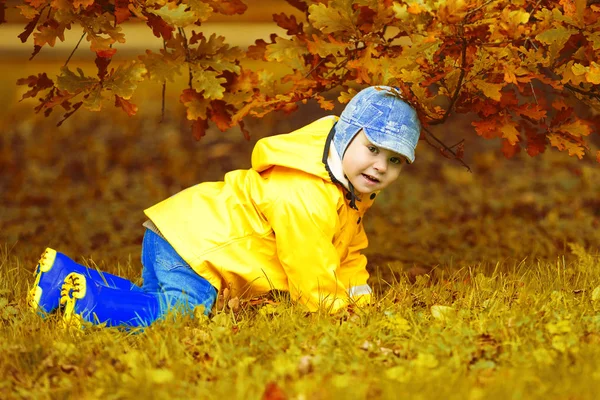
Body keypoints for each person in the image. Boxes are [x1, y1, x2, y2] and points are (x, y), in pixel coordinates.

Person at [28, 85, 422, 328]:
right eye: (372, 149)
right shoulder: (306, 192)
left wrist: (358, 299)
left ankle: (61, 280)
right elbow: (309, 263)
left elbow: (346, 250)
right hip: (196, 247)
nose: (380, 167)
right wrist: (335, 313)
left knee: (151, 302)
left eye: (395, 161)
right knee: (181, 313)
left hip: (182, 232)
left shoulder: (346, 188)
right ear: (346, 135)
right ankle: (89, 305)